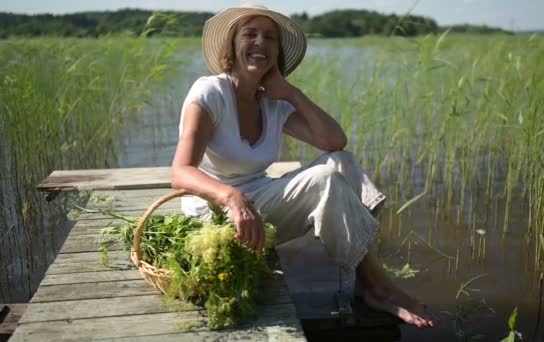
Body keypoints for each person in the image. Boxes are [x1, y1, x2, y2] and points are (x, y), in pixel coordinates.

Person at [171, 4, 433, 328]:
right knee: (324, 178)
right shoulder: (210, 91)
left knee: (342, 163)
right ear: (232, 45)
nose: (260, 43)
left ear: (277, 52)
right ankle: (377, 285)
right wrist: (231, 197)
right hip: (217, 212)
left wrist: (293, 94)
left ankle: (367, 277)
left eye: (269, 37)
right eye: (249, 34)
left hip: (261, 201)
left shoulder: (273, 102)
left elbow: (335, 141)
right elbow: (180, 173)